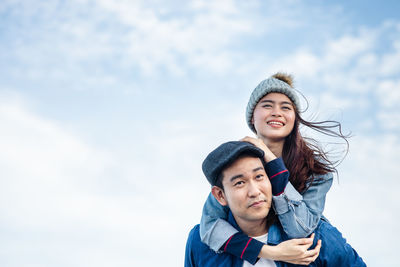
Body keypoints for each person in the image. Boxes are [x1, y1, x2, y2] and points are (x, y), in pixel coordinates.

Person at [200, 73, 350, 264]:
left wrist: (272, 162)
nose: (276, 112)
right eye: (267, 105)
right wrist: (272, 252)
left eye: (285, 107)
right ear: (252, 117)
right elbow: (209, 226)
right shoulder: (237, 164)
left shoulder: (317, 173)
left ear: (294, 118)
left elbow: (301, 229)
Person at [185, 141, 365, 266]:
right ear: (220, 195)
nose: (254, 191)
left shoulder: (315, 238)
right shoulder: (200, 243)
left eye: (259, 176)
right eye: (240, 183)